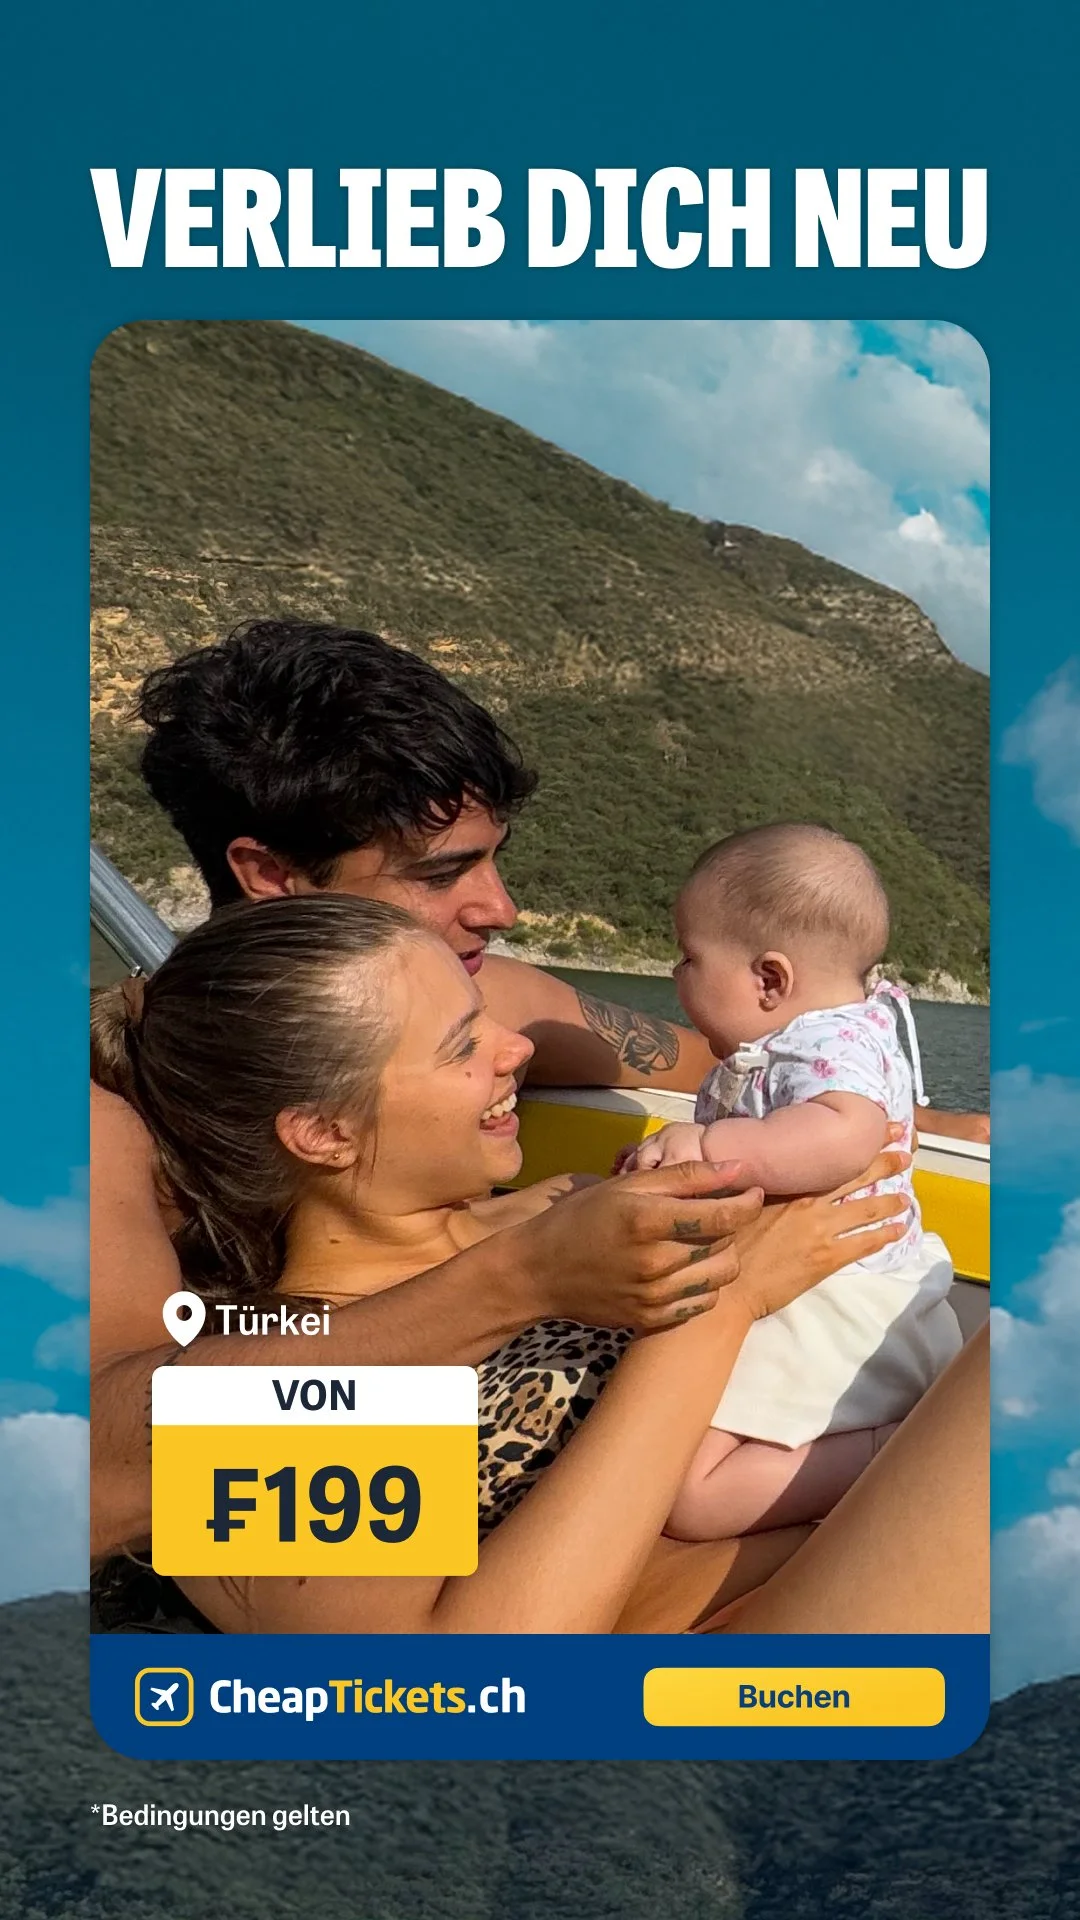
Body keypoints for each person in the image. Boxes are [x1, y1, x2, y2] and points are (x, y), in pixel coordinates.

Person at [91, 892, 959, 1637]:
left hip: (850, 1550)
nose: (517, 1050)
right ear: (326, 1132)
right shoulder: (296, 1379)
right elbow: (452, 1700)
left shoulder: (564, 1214)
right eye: (462, 1045)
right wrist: (722, 1306)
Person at [622, 824, 963, 1541]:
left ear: (769, 980)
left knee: (693, 1498)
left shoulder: (821, 1048)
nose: (676, 976)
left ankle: (906, 1451)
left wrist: (712, 1143)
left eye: (688, 957)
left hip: (838, 1306)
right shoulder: (832, 1034)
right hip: (823, 1289)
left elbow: (845, 1134)